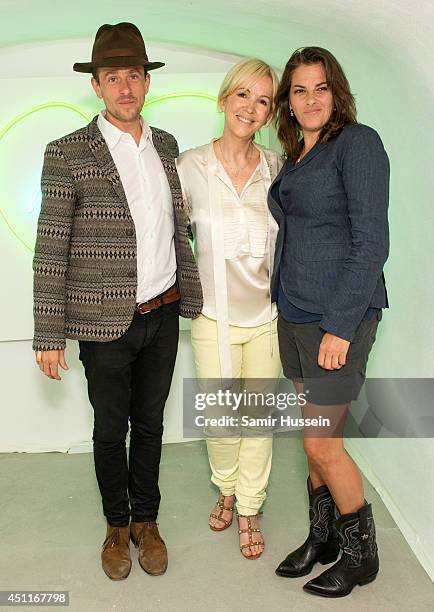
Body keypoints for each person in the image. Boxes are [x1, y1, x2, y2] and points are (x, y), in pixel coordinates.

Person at [33, 22, 202, 581]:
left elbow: (176, 229)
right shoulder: (67, 153)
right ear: (98, 87)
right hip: (103, 323)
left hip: (163, 313)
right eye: (113, 77)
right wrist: (47, 333)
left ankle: (147, 522)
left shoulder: (167, 147)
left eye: (135, 75)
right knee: (111, 429)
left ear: (146, 82)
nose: (126, 87)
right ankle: (115, 524)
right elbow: (50, 249)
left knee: (150, 424)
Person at [269, 47, 389, 596]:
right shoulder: (296, 155)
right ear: (288, 103)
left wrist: (340, 327)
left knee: (322, 444)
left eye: (320, 88)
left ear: (336, 93)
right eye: (299, 90)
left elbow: (371, 242)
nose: (311, 99)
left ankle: (361, 555)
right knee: (315, 434)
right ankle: (324, 538)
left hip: (338, 316)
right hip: (294, 313)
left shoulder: (357, 144)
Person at [176, 58, 282, 560]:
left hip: (268, 320)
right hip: (212, 319)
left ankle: (249, 507)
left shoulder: (277, 168)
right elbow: (166, 238)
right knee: (220, 421)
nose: (251, 108)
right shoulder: (189, 167)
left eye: (263, 100)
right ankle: (225, 485)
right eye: (244, 95)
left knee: (259, 420)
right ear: (224, 99)